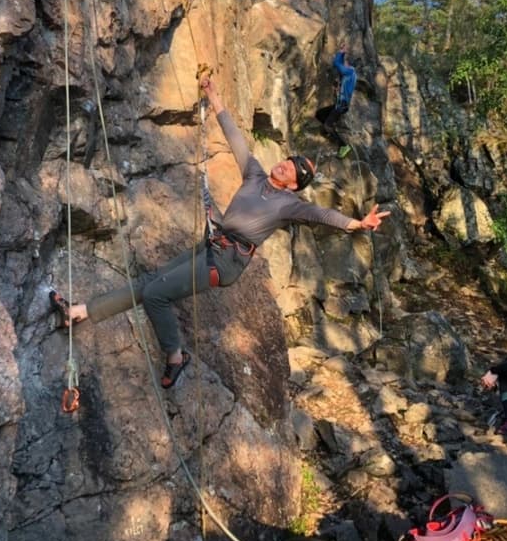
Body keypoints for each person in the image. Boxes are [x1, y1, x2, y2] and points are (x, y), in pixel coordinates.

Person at [51, 74, 390, 389]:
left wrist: (357, 224)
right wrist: (213, 96)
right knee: (148, 284)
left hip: (225, 261)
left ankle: (175, 356)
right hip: (212, 245)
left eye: (295, 168)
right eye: (291, 158)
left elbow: (322, 214)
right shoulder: (255, 174)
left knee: (156, 295)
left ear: (294, 183)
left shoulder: (290, 205)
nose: (287, 163)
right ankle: (79, 312)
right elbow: (235, 138)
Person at [316, 47, 357, 158]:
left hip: (341, 106)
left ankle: (343, 145)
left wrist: (341, 52)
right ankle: (329, 128)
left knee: (327, 126)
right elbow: (339, 64)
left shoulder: (350, 71)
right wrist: (343, 53)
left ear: (348, 64)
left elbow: (337, 64)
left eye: (345, 63)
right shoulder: (350, 73)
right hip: (339, 105)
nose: (344, 64)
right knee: (319, 114)